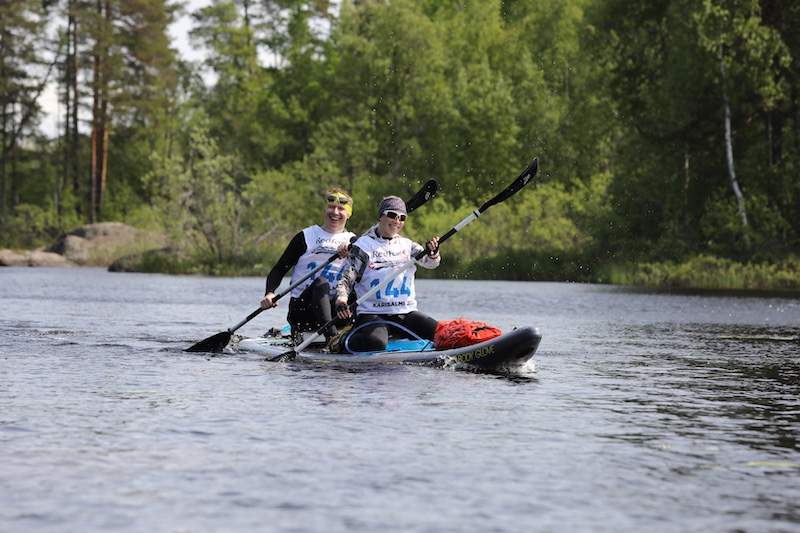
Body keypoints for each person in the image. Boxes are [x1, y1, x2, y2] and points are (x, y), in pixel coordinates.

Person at [333, 195, 440, 352]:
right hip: (372, 313)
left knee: (440, 335)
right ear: (381, 216)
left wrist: (433, 252)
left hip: (405, 312)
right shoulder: (363, 246)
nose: (396, 221)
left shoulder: (407, 245)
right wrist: (341, 301)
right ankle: (342, 340)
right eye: (391, 215)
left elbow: (431, 264)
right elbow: (346, 279)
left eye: (402, 218)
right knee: (376, 343)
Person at [260, 188, 355, 342]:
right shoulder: (306, 236)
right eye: (331, 207)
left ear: (348, 214)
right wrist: (270, 293)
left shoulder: (354, 241)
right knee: (321, 282)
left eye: (341, 209)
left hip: (337, 309)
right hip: (304, 311)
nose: (335, 212)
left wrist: (353, 246)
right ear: (324, 210)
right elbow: (279, 269)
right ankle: (332, 337)